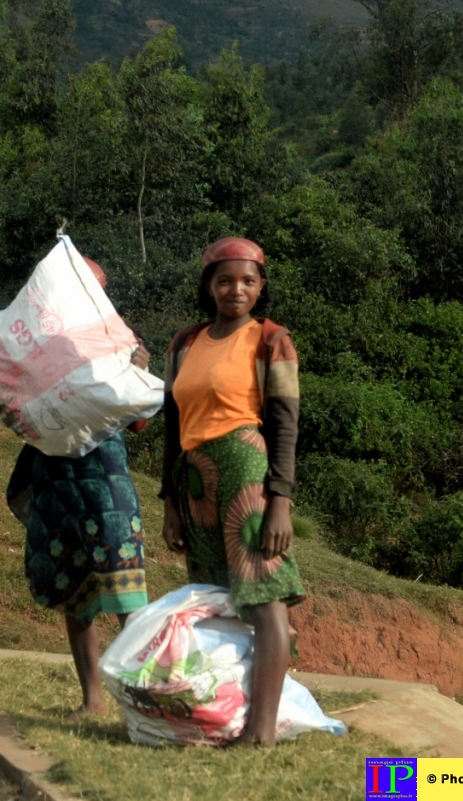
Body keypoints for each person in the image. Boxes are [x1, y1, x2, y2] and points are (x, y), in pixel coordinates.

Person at [0, 257, 152, 718]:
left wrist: (137, 370)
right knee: (72, 582)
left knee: (124, 583)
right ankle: (93, 699)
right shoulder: (28, 342)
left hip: (104, 476)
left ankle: (145, 699)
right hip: (56, 475)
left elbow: (136, 421)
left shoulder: (121, 340)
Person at [159, 236, 304, 746]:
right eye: (224, 280)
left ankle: (261, 732)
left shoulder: (270, 340)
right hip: (195, 479)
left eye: (247, 280)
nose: (235, 289)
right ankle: (221, 714)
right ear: (208, 287)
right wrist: (170, 503)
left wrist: (280, 501)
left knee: (263, 597)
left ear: (261, 287)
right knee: (217, 598)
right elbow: (172, 425)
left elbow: (285, 423)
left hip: (246, 471)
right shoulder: (184, 343)